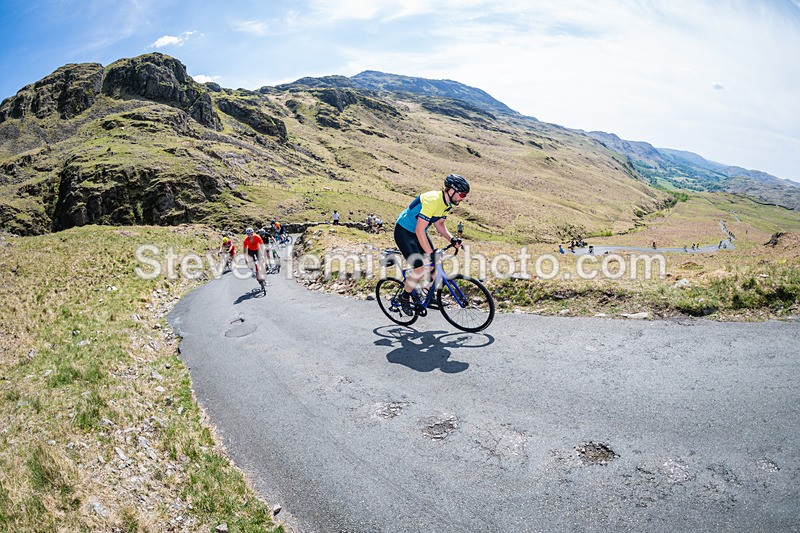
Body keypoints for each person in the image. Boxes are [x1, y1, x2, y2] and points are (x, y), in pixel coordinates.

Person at [393, 173, 468, 315]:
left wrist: (451, 239)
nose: (463, 198)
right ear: (451, 191)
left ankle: (428, 293)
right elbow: (419, 230)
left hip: (418, 232)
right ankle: (404, 297)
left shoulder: (447, 204)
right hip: (404, 231)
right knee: (420, 268)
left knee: (435, 262)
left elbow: (439, 224)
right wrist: (430, 254)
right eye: (462, 194)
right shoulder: (433, 200)